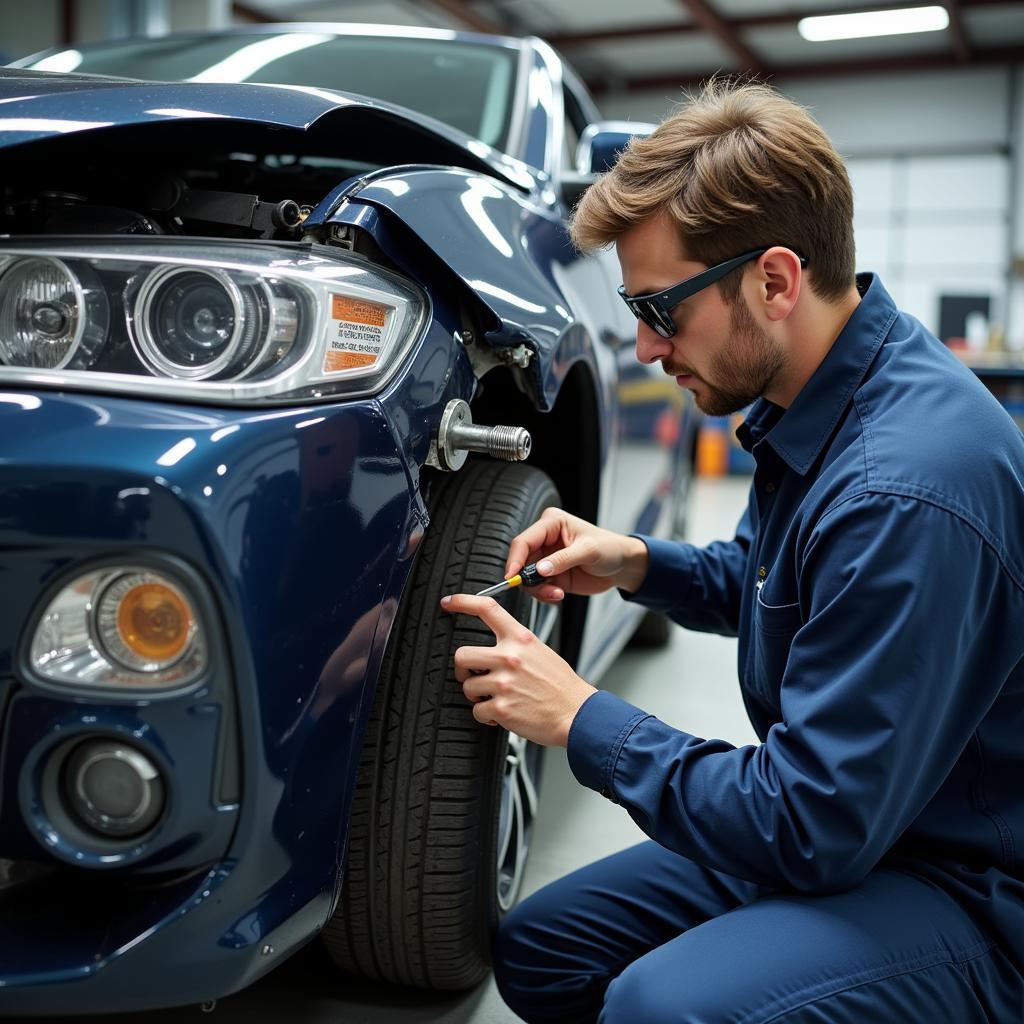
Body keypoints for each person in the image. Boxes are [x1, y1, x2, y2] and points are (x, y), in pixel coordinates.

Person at [440, 79, 1024, 1023]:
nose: (642, 344)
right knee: (545, 950)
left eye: (661, 310)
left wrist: (583, 716)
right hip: (875, 817)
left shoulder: (905, 489)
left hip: (963, 880)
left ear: (777, 280)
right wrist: (637, 562)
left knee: (661, 1009)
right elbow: (782, 583)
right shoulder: (821, 388)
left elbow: (809, 823)